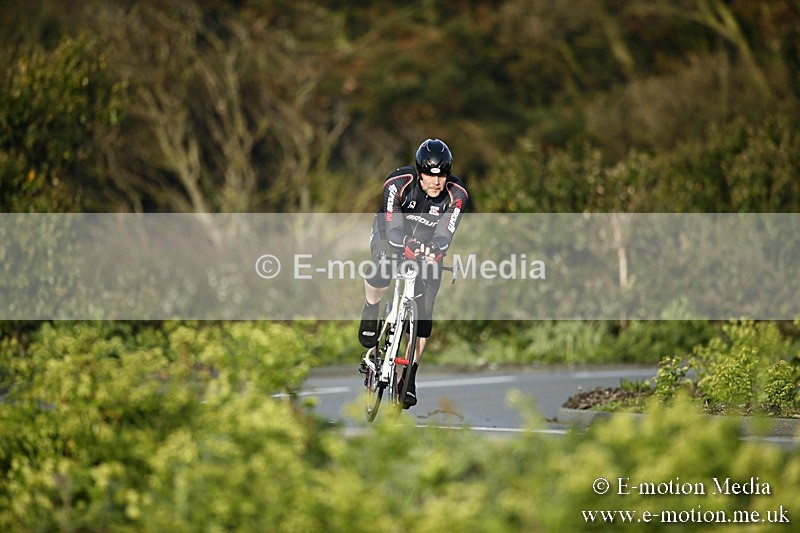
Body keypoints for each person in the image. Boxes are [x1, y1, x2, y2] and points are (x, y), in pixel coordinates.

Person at [358, 138, 469, 409]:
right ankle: (371, 309)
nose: (436, 182)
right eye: (430, 175)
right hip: (390, 232)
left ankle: (409, 376)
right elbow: (393, 228)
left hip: (427, 244)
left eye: (442, 175)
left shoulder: (457, 194)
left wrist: (435, 250)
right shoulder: (398, 183)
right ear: (419, 172)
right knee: (383, 265)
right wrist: (407, 244)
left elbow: (445, 233)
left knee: (425, 311)